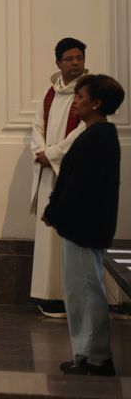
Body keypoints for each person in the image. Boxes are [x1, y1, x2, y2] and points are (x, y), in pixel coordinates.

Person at [43, 74, 123, 377]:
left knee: (87, 292)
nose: (75, 101)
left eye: (80, 96)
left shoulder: (98, 137)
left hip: (84, 228)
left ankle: (96, 358)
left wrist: (55, 211)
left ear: (96, 103)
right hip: (80, 226)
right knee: (80, 292)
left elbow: (80, 186)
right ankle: (85, 353)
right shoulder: (94, 134)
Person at [29, 37, 88, 317]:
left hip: (73, 172)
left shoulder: (89, 91)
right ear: (58, 62)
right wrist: (40, 150)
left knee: (70, 236)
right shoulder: (50, 93)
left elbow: (87, 128)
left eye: (79, 58)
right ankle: (49, 294)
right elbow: (36, 124)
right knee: (48, 235)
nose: (76, 63)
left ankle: (72, 296)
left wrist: (53, 153)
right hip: (47, 172)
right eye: (70, 59)